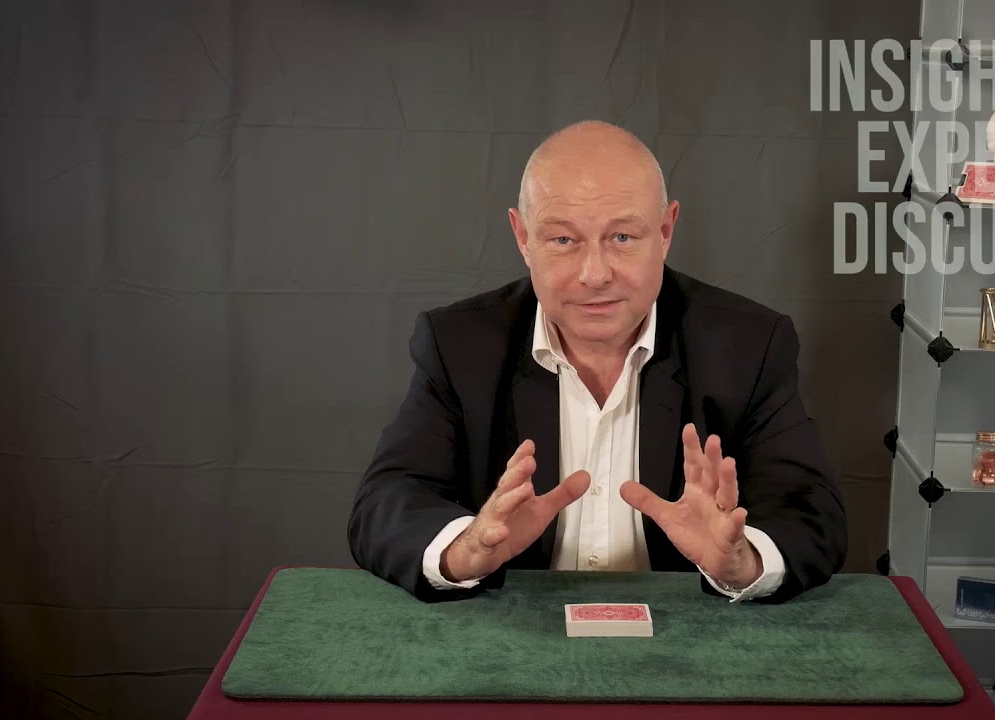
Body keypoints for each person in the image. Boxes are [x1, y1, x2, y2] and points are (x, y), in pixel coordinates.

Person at [348, 120, 847, 604]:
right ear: (523, 238)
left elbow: (811, 511)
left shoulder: (748, 345)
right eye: (563, 240)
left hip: (687, 641)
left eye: (622, 238)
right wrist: (468, 548)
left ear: (666, 230)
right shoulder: (459, 345)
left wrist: (742, 563)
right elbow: (385, 502)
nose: (594, 274)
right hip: (516, 637)